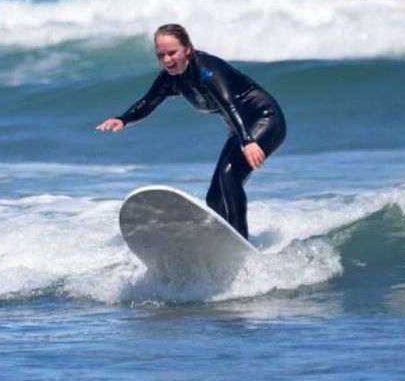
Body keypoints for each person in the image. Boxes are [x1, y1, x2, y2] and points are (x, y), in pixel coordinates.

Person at [96, 23, 286, 240]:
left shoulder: (207, 70)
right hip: (241, 130)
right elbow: (147, 102)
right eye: (161, 55)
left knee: (230, 177)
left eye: (172, 53)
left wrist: (247, 141)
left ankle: (242, 240)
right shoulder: (169, 78)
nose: (167, 60)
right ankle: (225, 244)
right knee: (214, 199)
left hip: (264, 119)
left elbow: (228, 103)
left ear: (187, 48)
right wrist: (123, 119)